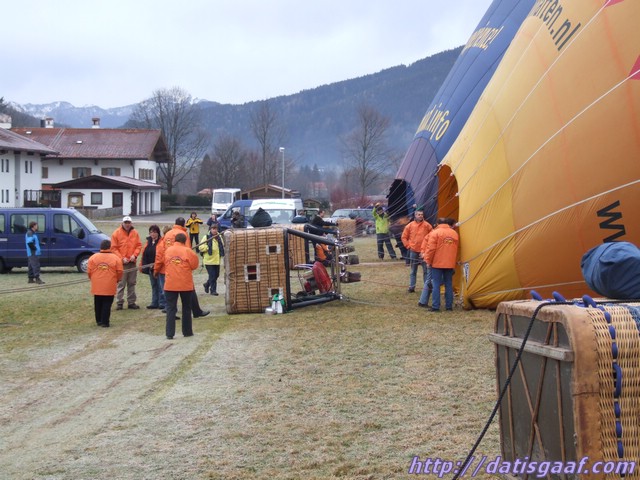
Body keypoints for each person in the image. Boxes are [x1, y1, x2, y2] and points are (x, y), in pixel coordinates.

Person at [155, 217, 209, 317]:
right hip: (182, 266)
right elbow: (187, 251)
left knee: (172, 291)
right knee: (190, 289)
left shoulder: (167, 234)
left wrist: (158, 268)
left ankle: (172, 312)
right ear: (184, 224)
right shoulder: (183, 234)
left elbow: (162, 251)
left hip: (169, 265)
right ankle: (196, 311)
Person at [164, 233, 199, 339]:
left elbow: (163, 262)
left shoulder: (168, 250)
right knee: (186, 308)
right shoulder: (188, 251)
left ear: (175, 240)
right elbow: (194, 265)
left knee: (171, 308)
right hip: (185, 284)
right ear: (185, 241)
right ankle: (187, 331)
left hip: (170, 284)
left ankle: (169, 333)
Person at [424, 218, 459, 312]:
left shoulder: (435, 233)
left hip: (437, 263)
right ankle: (449, 306)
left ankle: (436, 306)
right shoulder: (454, 233)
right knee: (448, 284)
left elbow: (431, 249)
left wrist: (428, 261)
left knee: (436, 284)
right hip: (450, 263)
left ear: (437, 223)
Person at [87, 239, 124, 327]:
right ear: (110, 247)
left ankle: (98, 320)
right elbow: (120, 271)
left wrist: (93, 279)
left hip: (97, 285)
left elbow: (89, 271)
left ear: (101, 247)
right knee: (107, 303)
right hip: (109, 285)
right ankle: (105, 322)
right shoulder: (116, 258)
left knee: (98, 303)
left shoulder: (93, 257)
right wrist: (117, 279)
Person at [111, 215, 142, 310]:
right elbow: (113, 248)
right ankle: (119, 302)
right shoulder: (116, 233)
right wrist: (121, 258)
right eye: (126, 223)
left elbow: (139, 245)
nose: (127, 224)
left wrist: (134, 255)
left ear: (131, 223)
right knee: (121, 284)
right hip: (121, 264)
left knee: (132, 283)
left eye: (129, 223)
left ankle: (131, 302)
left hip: (132, 262)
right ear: (122, 223)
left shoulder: (135, 233)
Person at [401, 209, 433, 293]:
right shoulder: (410, 225)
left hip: (424, 252)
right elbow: (404, 237)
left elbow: (432, 236)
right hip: (413, 250)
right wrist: (408, 246)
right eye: (419, 214)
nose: (420, 216)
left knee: (426, 270)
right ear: (415, 215)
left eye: (421, 214)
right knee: (413, 270)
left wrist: (428, 248)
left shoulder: (427, 225)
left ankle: (427, 287)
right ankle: (412, 287)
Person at [140, 225, 165, 310]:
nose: (152, 234)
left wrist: (156, 266)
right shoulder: (148, 242)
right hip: (150, 267)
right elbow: (144, 254)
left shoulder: (161, 242)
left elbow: (160, 255)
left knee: (160, 286)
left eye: (154, 232)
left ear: (158, 233)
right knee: (154, 285)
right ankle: (154, 302)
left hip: (159, 267)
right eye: (151, 232)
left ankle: (162, 302)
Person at [199, 224, 223, 295]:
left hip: (217, 260)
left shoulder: (219, 237)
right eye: (213, 229)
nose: (215, 230)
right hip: (209, 260)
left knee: (216, 275)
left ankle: (207, 284)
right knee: (212, 276)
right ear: (210, 229)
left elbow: (222, 245)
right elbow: (201, 247)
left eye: (216, 229)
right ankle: (213, 291)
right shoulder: (206, 237)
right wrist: (208, 247)